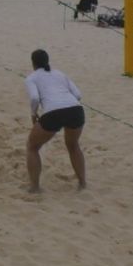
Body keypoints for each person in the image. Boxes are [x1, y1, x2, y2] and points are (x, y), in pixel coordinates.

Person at [24, 49, 85, 193]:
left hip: (53, 112)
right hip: (75, 110)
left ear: (33, 63)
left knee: (32, 147)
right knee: (73, 145)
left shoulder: (31, 78)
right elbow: (78, 94)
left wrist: (33, 114)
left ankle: (35, 187)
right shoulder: (60, 73)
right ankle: (82, 183)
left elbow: (34, 98)